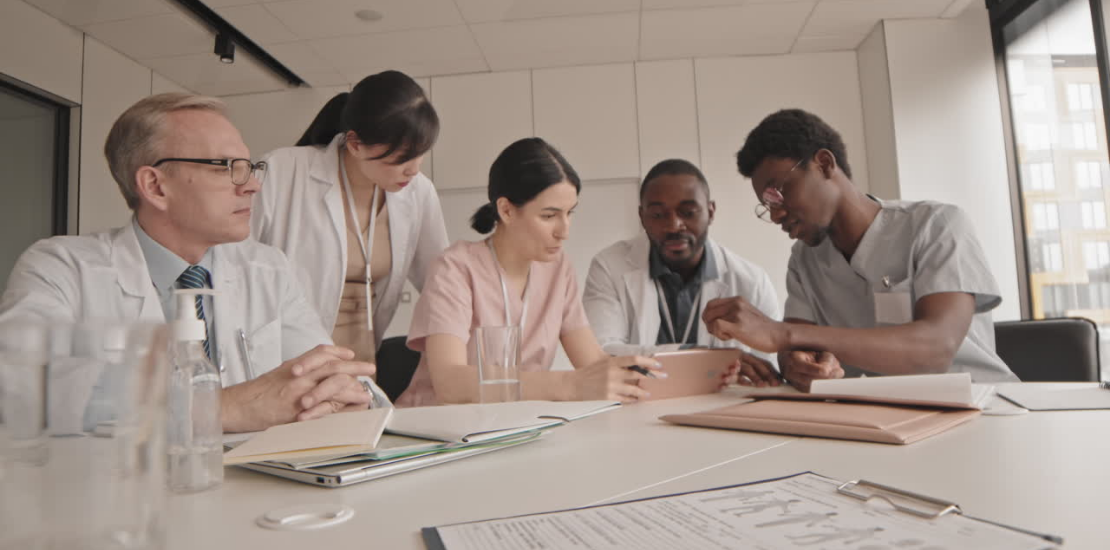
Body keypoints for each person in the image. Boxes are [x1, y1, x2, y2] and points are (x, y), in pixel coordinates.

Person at [0, 93, 387, 433]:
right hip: (123, 500)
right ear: (155, 186)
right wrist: (221, 408)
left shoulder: (268, 268)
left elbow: (328, 372)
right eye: (225, 166)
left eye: (249, 166)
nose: (252, 184)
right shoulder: (61, 267)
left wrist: (348, 399)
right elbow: (19, 383)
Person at [701, 108, 1017, 391]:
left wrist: (782, 335)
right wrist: (802, 366)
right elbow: (795, 349)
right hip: (880, 412)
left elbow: (934, 351)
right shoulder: (805, 259)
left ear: (824, 164)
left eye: (778, 192)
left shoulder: (936, 225)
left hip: (980, 405)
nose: (775, 214)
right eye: (766, 204)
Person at [396, 138, 663, 406]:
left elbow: (594, 364)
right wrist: (568, 385)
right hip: (438, 434)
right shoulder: (455, 268)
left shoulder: (558, 270)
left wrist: (646, 379)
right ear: (506, 210)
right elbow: (451, 384)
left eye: (570, 213)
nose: (564, 231)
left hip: (515, 428)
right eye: (549, 216)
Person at [251, 70, 449, 370]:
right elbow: (232, 265)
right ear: (355, 143)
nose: (413, 169)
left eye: (421, 154)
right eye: (401, 157)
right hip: (287, 366)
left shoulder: (418, 192)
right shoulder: (281, 172)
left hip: (363, 369)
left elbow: (442, 285)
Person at [583, 159, 783, 386]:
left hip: (721, 409)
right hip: (635, 406)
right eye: (658, 215)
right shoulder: (609, 266)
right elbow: (599, 354)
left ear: (710, 211)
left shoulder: (752, 281)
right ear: (642, 217)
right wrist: (704, 358)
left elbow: (768, 372)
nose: (674, 225)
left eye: (688, 212)